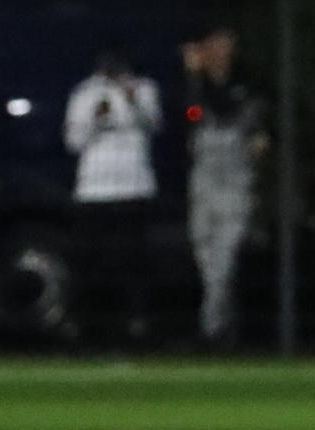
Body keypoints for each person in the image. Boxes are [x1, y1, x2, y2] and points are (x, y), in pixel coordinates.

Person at [62, 48, 162, 341]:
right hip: (94, 190)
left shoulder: (144, 88)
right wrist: (95, 118)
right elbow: (73, 142)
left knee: (134, 259)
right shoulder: (83, 94)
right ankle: (87, 322)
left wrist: (131, 99)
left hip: (134, 187)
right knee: (90, 260)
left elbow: (154, 124)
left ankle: (137, 321)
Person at [182, 25, 267, 347]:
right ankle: (223, 325)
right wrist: (193, 79)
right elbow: (191, 115)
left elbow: (236, 112)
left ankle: (212, 328)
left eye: (226, 43)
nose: (222, 50)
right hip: (204, 175)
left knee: (227, 253)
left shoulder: (245, 81)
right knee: (204, 250)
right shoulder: (194, 85)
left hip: (235, 175)